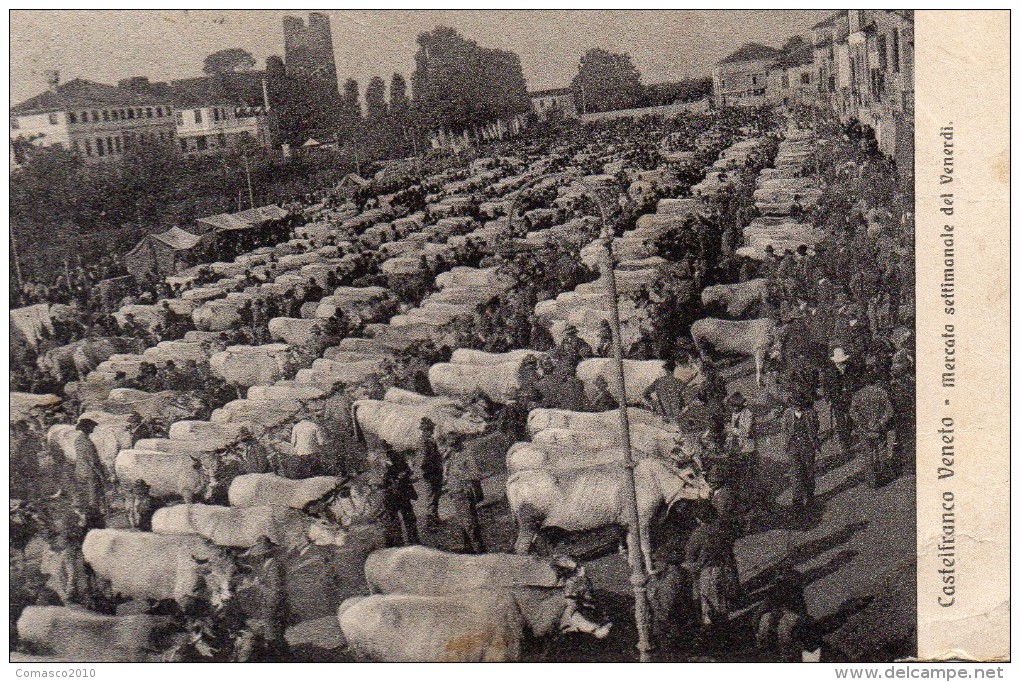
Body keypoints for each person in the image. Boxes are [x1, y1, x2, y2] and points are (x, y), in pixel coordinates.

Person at [682, 505, 740, 629]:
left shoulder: (697, 535)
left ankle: (713, 634)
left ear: (698, 519)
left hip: (706, 573)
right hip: (723, 570)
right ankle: (725, 628)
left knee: (708, 606)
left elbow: (690, 557)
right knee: (722, 603)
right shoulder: (721, 530)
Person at [849, 379, 895, 488]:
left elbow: (852, 412)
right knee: (882, 451)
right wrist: (879, 422)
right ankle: (882, 477)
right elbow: (890, 411)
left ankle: (871, 480)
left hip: (864, 430)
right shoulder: (881, 392)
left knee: (868, 453)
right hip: (879, 429)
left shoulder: (858, 395)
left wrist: (863, 423)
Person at [444, 436, 486, 554]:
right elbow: (447, 474)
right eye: (450, 445)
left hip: (464, 492)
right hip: (456, 492)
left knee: (470, 523)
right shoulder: (451, 457)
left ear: (459, 443)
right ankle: (469, 548)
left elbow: (476, 474)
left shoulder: (466, 455)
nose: (452, 447)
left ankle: (480, 551)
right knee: (463, 522)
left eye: (454, 444)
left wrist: (461, 475)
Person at [781, 395, 821, 515]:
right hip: (793, 446)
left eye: (799, 405)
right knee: (795, 473)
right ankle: (797, 500)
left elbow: (816, 427)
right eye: (795, 405)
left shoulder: (810, 413)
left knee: (809, 472)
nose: (797, 407)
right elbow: (784, 427)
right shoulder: (787, 413)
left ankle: (809, 497)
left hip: (807, 445)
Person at [71, 419, 108, 530]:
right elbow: (93, 462)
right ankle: (92, 523)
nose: (93, 428)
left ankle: (83, 518)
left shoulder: (78, 440)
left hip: (79, 471)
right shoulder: (87, 443)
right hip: (90, 473)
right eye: (91, 427)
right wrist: (101, 475)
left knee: (83, 495)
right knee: (93, 498)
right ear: (87, 428)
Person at [381, 447, 420, 546]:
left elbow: (407, 471)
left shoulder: (397, 458)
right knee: (394, 520)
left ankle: (410, 542)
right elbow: (380, 481)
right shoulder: (380, 461)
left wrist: (405, 476)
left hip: (400, 493)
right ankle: (400, 543)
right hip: (391, 495)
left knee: (406, 519)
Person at [642, 358, 687, 424]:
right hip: (677, 417)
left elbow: (645, 394)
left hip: (663, 416)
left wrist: (655, 404)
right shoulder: (679, 382)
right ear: (674, 370)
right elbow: (685, 398)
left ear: (665, 370)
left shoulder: (658, 382)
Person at [417, 418, 444, 523]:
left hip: (435, 472)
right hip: (430, 473)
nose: (433, 430)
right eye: (431, 428)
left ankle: (435, 517)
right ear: (426, 429)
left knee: (436, 495)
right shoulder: (423, 442)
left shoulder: (430, 440)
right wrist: (428, 470)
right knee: (431, 496)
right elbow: (423, 460)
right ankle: (430, 521)